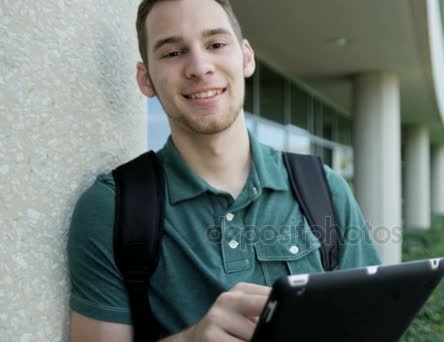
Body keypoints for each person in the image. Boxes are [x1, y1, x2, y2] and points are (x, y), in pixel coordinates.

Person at [67, 0, 381, 340]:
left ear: (246, 57)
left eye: (216, 44)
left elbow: (370, 325)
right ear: (146, 80)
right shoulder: (110, 207)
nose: (200, 67)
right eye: (173, 52)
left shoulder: (324, 189)